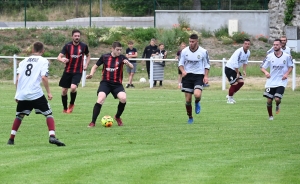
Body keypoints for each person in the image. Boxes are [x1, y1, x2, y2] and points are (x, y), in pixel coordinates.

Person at [7, 41, 65, 146]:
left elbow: (17, 79)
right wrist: (49, 92)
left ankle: (11, 139)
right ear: (43, 51)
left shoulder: (23, 61)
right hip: (36, 93)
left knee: (19, 115)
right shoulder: (43, 61)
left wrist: (18, 93)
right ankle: (52, 136)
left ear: (33, 50)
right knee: (48, 114)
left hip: (23, 93)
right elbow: (44, 77)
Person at [86, 41, 133, 127]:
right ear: (112, 49)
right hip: (105, 83)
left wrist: (128, 63)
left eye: (120, 50)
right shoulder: (105, 57)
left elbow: (132, 67)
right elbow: (95, 66)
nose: (119, 51)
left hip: (117, 84)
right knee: (100, 99)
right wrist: (91, 74)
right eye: (117, 50)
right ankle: (93, 122)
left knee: (123, 98)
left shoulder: (122, 58)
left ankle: (117, 117)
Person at [179, 34, 210, 124]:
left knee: (197, 94)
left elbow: (207, 65)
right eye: (190, 41)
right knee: (188, 100)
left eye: (193, 42)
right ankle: (190, 117)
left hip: (198, 75)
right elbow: (180, 64)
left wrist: (206, 76)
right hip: (187, 76)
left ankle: (197, 102)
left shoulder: (203, 51)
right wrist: (183, 71)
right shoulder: (184, 51)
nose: (191, 43)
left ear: (197, 41)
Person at [57, 29, 90, 114]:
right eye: (75, 36)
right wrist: (62, 60)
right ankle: (65, 109)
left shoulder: (83, 46)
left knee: (73, 87)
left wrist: (86, 64)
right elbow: (59, 57)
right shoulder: (67, 46)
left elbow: (88, 55)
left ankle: (71, 104)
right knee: (64, 90)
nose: (77, 37)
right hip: (68, 71)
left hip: (78, 71)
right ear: (72, 37)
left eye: (78, 36)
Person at [260, 38, 294, 120]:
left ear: (281, 45)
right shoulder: (269, 56)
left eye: (277, 45)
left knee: (277, 99)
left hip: (281, 81)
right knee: (269, 100)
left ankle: (278, 104)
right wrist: (266, 72)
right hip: (271, 82)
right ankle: (270, 116)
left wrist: (286, 74)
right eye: (274, 45)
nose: (275, 46)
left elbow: (291, 66)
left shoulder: (286, 56)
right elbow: (262, 67)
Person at [225, 39, 251, 104]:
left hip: (235, 69)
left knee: (241, 82)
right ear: (243, 44)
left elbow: (245, 62)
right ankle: (229, 99)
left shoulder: (248, 52)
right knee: (234, 84)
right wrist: (237, 73)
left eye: (248, 44)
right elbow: (235, 63)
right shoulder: (238, 52)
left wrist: (244, 70)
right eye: (245, 43)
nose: (247, 45)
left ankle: (229, 95)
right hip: (229, 68)